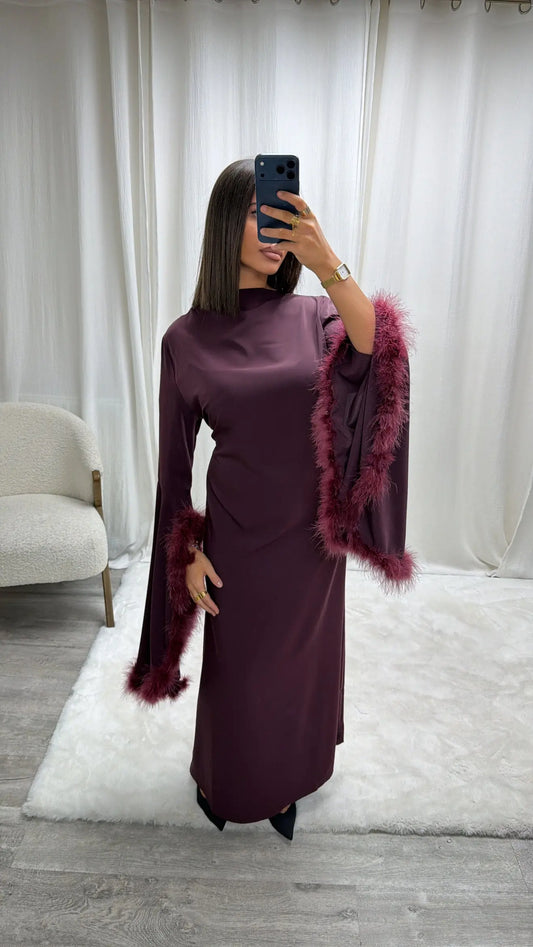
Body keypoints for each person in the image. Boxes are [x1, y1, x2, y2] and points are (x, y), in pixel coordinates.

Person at [125, 157, 416, 841]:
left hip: (310, 541)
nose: (273, 229)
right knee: (240, 670)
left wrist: (326, 261)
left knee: (300, 668)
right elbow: (174, 467)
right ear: (227, 221)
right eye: (260, 214)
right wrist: (186, 553)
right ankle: (226, 780)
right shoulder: (184, 339)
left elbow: (378, 351)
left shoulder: (315, 313)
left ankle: (290, 780)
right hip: (237, 536)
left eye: (283, 215)